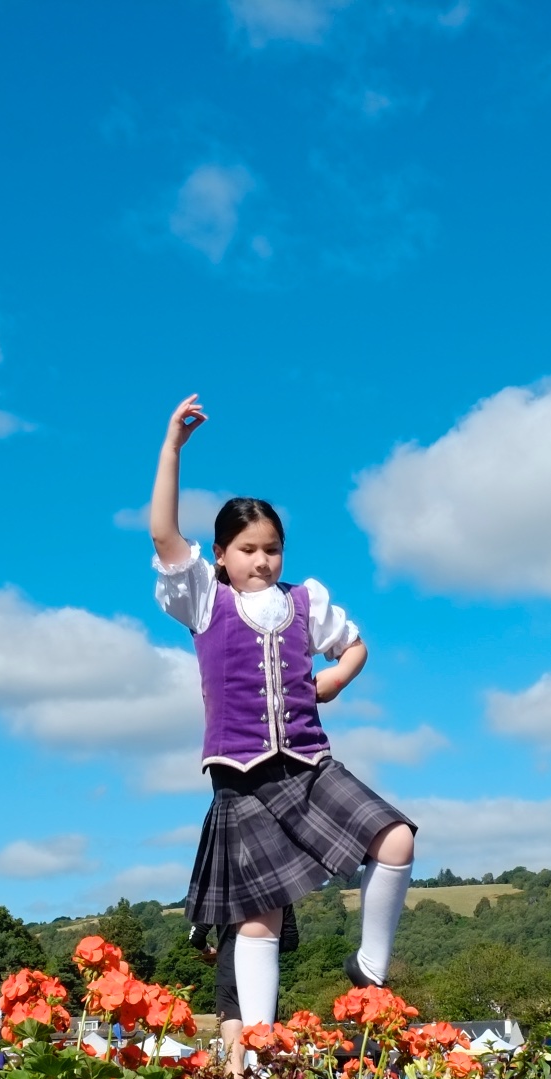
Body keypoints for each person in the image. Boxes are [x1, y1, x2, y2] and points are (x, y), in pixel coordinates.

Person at [149, 396, 417, 1041]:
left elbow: (356, 644)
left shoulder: (305, 602)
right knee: (259, 917)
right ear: (221, 554)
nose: (262, 560)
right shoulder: (204, 600)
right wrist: (172, 448)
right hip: (242, 778)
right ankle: (261, 1045)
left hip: (307, 764)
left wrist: (335, 679)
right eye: (247, 549)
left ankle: (369, 965)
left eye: (272, 549)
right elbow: (163, 535)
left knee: (396, 838)